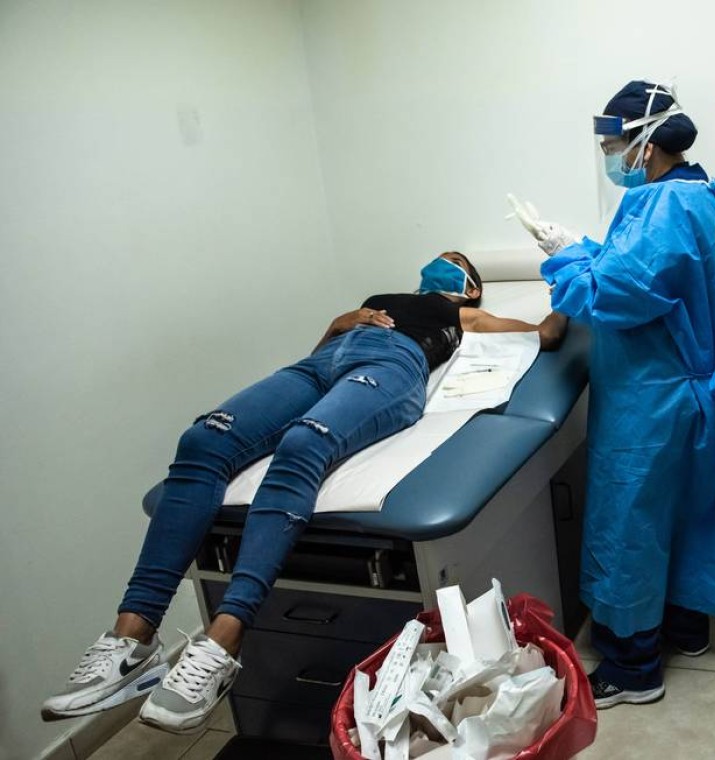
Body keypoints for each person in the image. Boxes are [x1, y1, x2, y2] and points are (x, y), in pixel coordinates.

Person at [42, 251, 568, 732]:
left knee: (303, 443)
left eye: (459, 265)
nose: (447, 262)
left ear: (471, 289)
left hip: (393, 369)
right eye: (443, 256)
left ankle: (224, 639)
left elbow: (543, 335)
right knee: (203, 439)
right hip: (323, 363)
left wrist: (568, 289)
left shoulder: (458, 313)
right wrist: (339, 325)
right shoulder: (379, 299)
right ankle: (133, 639)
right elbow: (321, 353)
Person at [511, 81, 715, 708]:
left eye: (612, 145)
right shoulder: (697, 193)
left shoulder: (665, 209)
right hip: (682, 390)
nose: (610, 157)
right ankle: (685, 629)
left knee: (630, 527)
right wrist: (589, 249)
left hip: (649, 400)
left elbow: (610, 297)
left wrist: (565, 254)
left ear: (645, 144)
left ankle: (633, 667)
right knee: (683, 516)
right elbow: (651, 275)